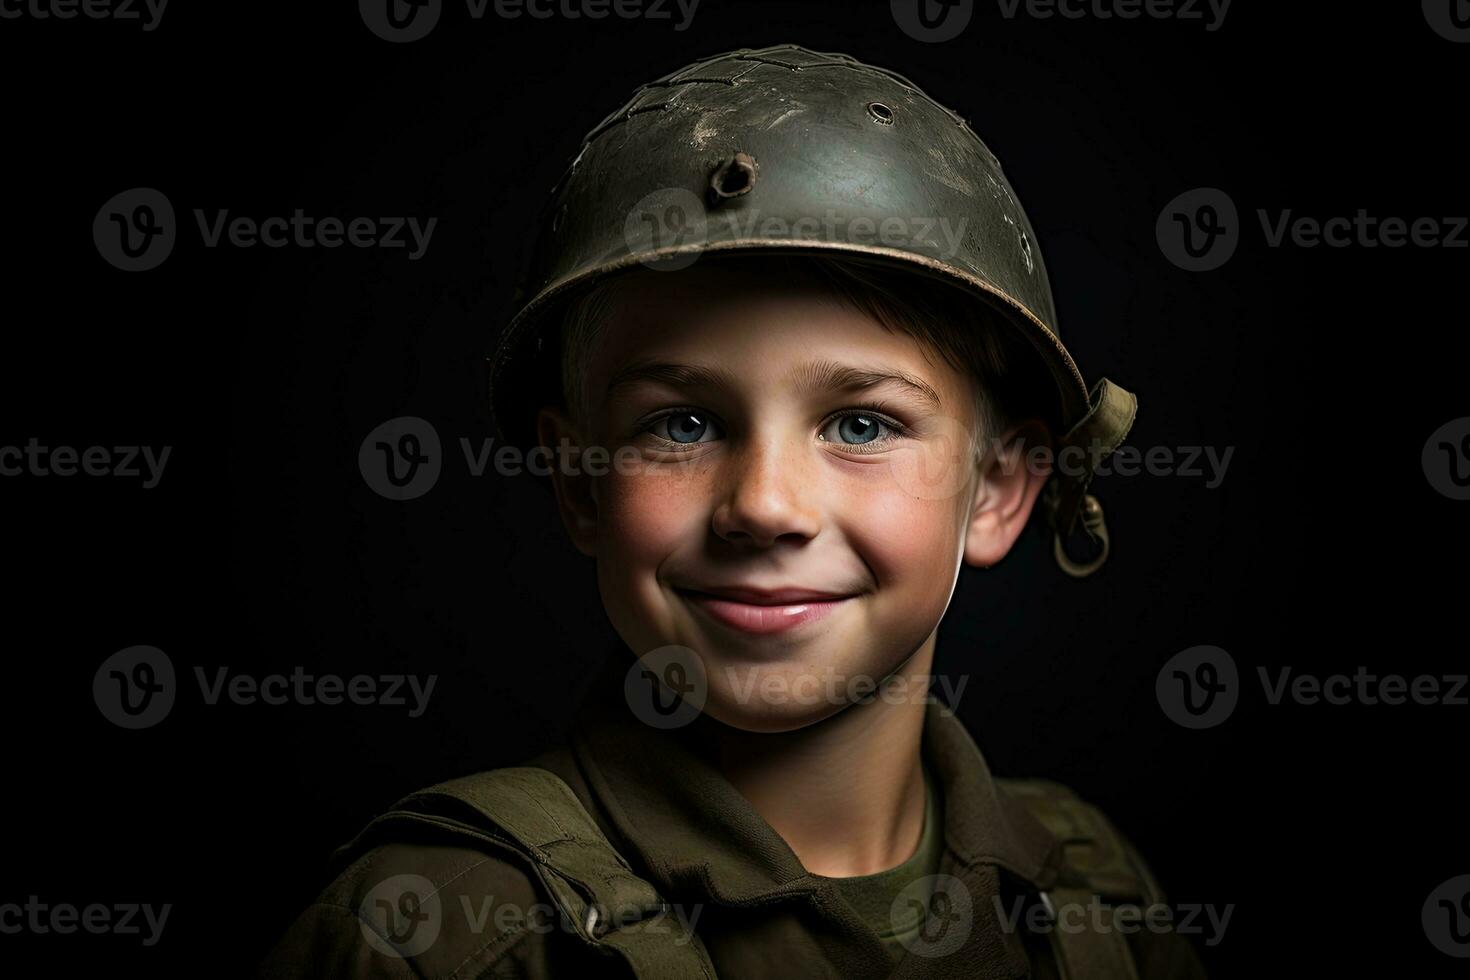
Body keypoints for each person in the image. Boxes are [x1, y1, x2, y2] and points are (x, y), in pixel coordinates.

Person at [257, 44, 1207, 979]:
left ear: (999, 490)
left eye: (864, 425)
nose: (763, 506)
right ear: (580, 480)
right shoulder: (440, 937)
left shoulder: (1093, 904)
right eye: (684, 423)